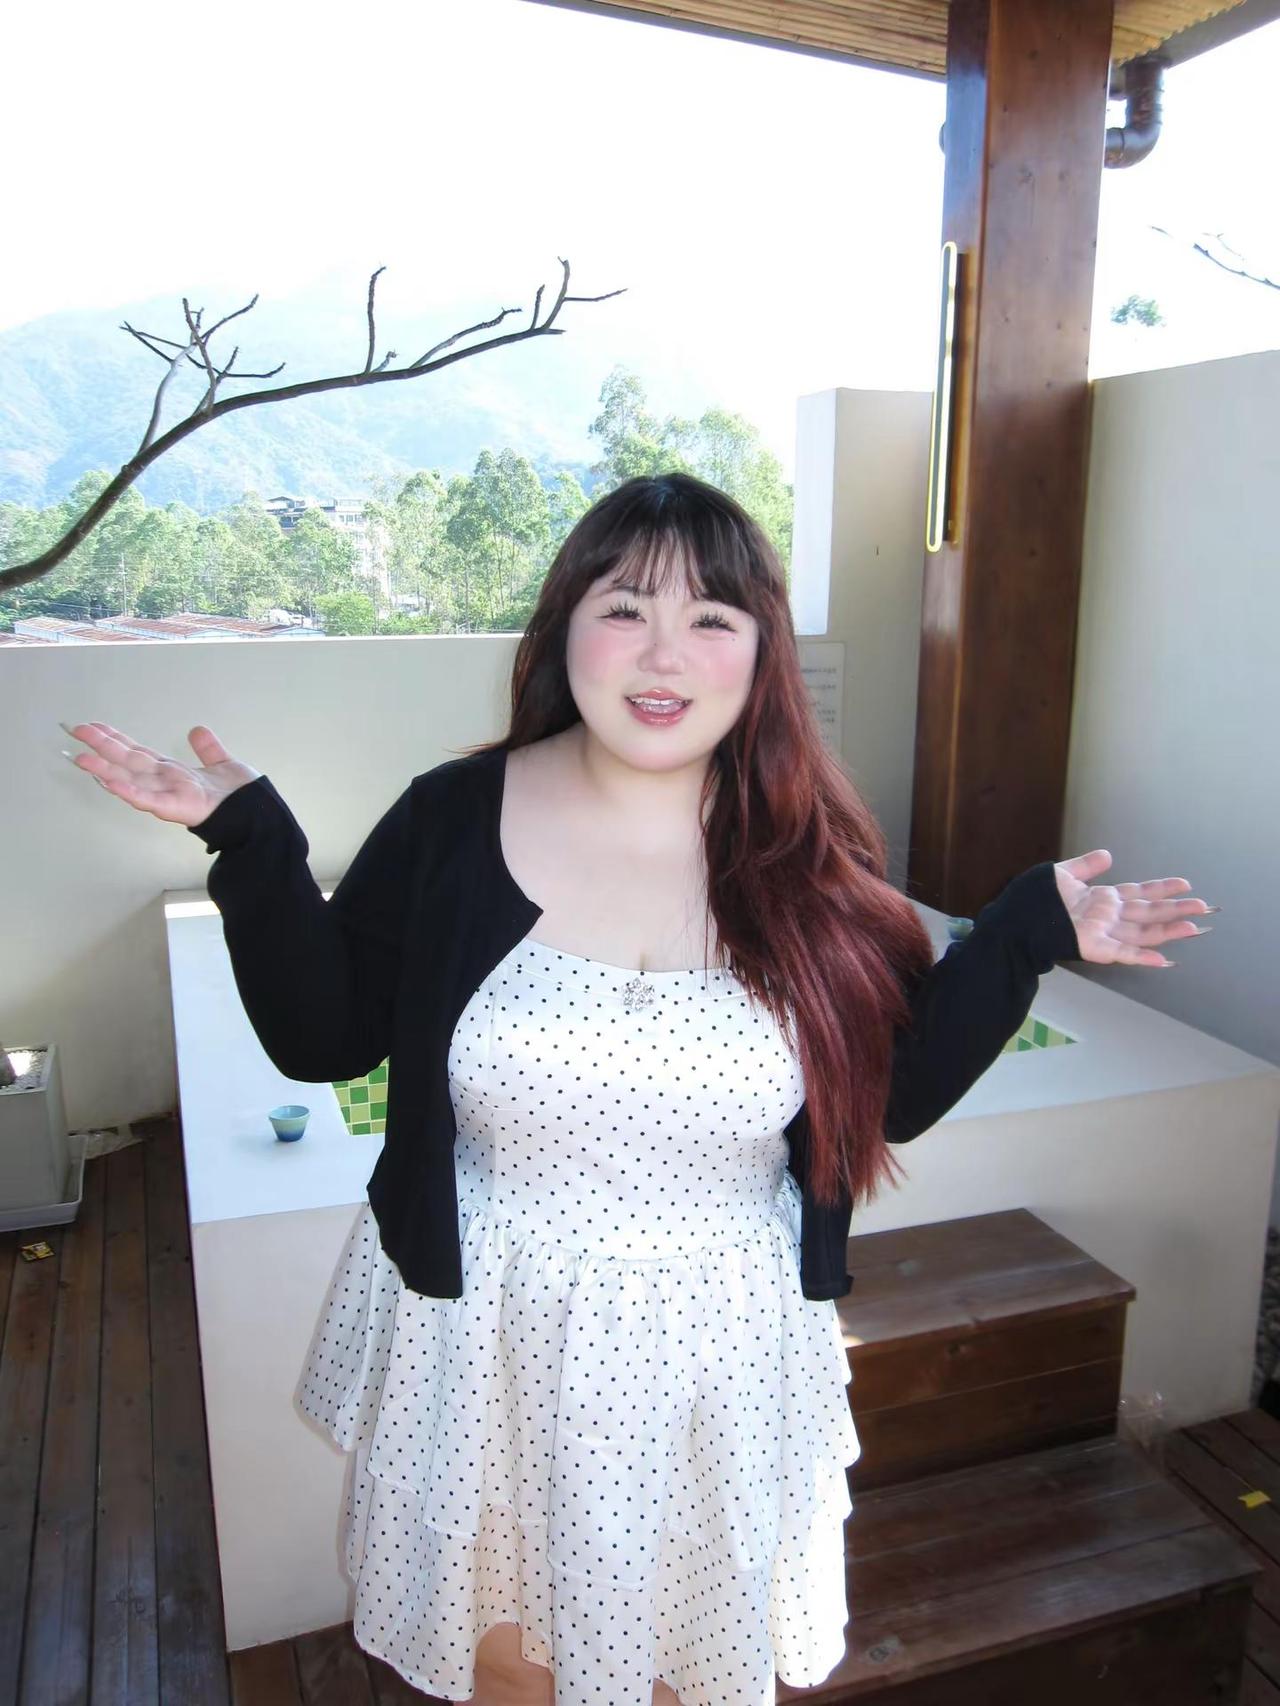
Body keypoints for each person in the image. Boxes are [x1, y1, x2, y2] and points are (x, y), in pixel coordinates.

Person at [61, 472, 1212, 1706]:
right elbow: (325, 1035)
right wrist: (250, 839)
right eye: (624, 608)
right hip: (491, 1325)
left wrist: (1023, 933)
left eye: (711, 617)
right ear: (564, 626)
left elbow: (889, 1097)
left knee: (680, 1663)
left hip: (721, 1339)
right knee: (509, 1662)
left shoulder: (806, 855)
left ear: (760, 652)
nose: (664, 654)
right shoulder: (454, 817)